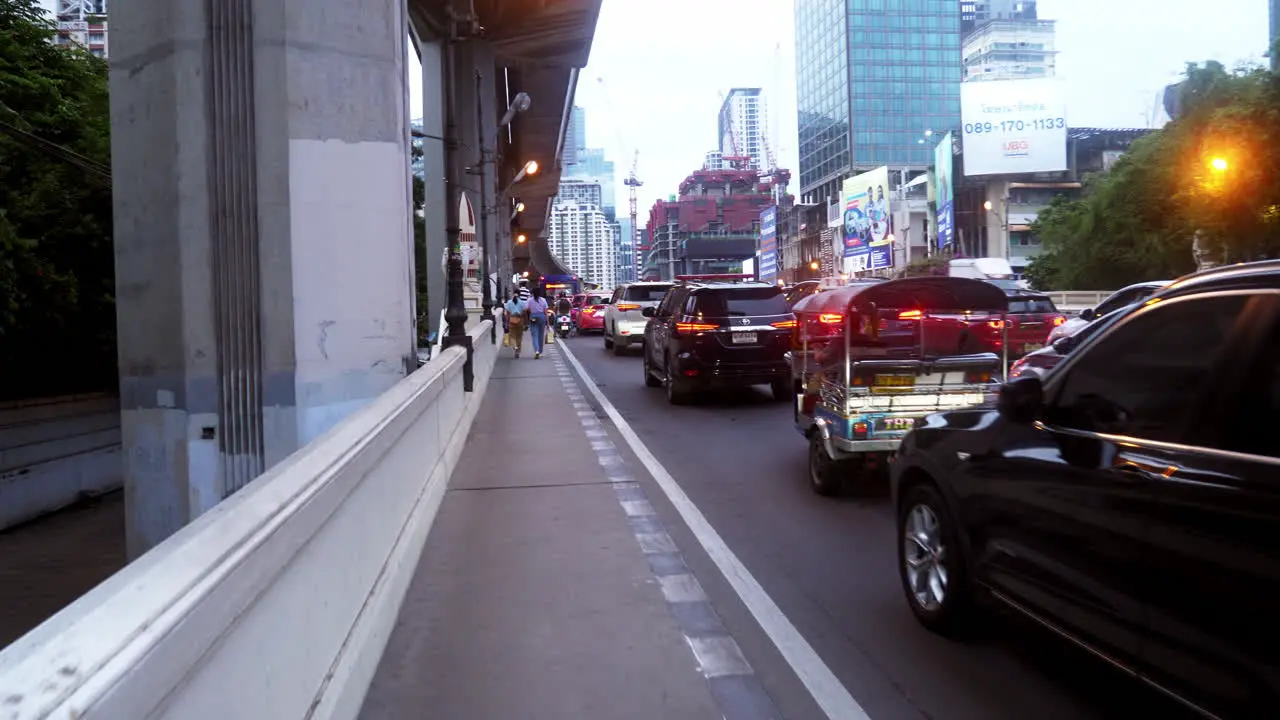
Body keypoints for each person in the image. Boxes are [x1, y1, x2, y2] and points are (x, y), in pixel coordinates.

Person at [525, 286, 549, 359]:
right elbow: (546, 312)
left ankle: (536, 351)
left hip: (533, 317)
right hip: (542, 317)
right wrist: (547, 323)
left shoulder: (529, 300)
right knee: (541, 335)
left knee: (534, 335)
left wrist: (531, 311)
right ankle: (540, 351)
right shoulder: (543, 300)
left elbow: (526, 309)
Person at [504, 292, 527, 358]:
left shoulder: (509, 302)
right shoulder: (522, 303)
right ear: (519, 295)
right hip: (520, 320)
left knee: (512, 336)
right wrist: (525, 323)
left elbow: (507, 314)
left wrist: (506, 323)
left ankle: (515, 346)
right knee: (519, 337)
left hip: (512, 320)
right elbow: (524, 313)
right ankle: (518, 351)